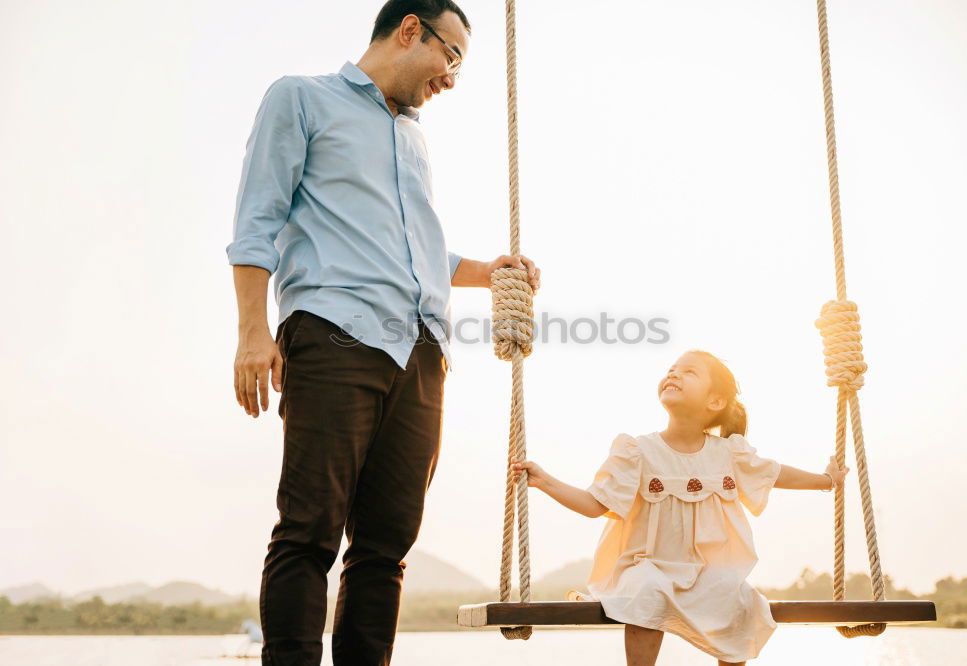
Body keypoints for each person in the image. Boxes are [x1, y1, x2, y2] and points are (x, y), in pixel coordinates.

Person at [226, 1, 541, 664]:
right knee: (310, 529)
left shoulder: (413, 137)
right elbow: (257, 222)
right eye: (449, 55)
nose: (451, 78)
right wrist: (253, 332)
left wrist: (489, 271)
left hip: (423, 351)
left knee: (387, 546)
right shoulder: (301, 99)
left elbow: (416, 249)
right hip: (334, 333)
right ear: (407, 30)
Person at [511, 350, 849, 666]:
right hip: (647, 564)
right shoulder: (637, 451)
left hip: (707, 569)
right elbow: (594, 504)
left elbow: (775, 473)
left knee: (741, 601)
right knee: (648, 590)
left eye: (688, 372)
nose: (673, 374)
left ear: (715, 401)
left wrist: (826, 480)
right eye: (671, 370)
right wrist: (544, 480)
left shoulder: (729, 453)